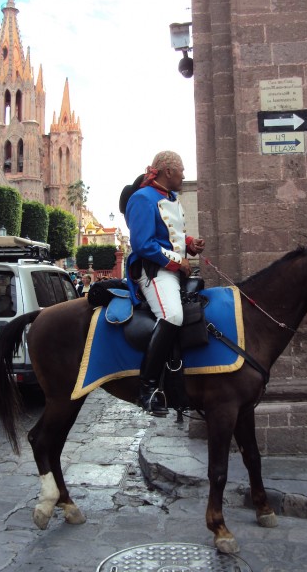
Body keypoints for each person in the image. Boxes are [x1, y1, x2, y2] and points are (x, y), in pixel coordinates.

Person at [123, 150, 205, 415]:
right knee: (172, 316)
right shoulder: (142, 198)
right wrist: (176, 261)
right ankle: (147, 388)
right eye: (181, 170)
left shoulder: (169, 198)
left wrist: (189, 244)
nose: (183, 174)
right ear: (168, 171)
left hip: (171, 269)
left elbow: (170, 235)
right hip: (154, 271)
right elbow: (143, 244)